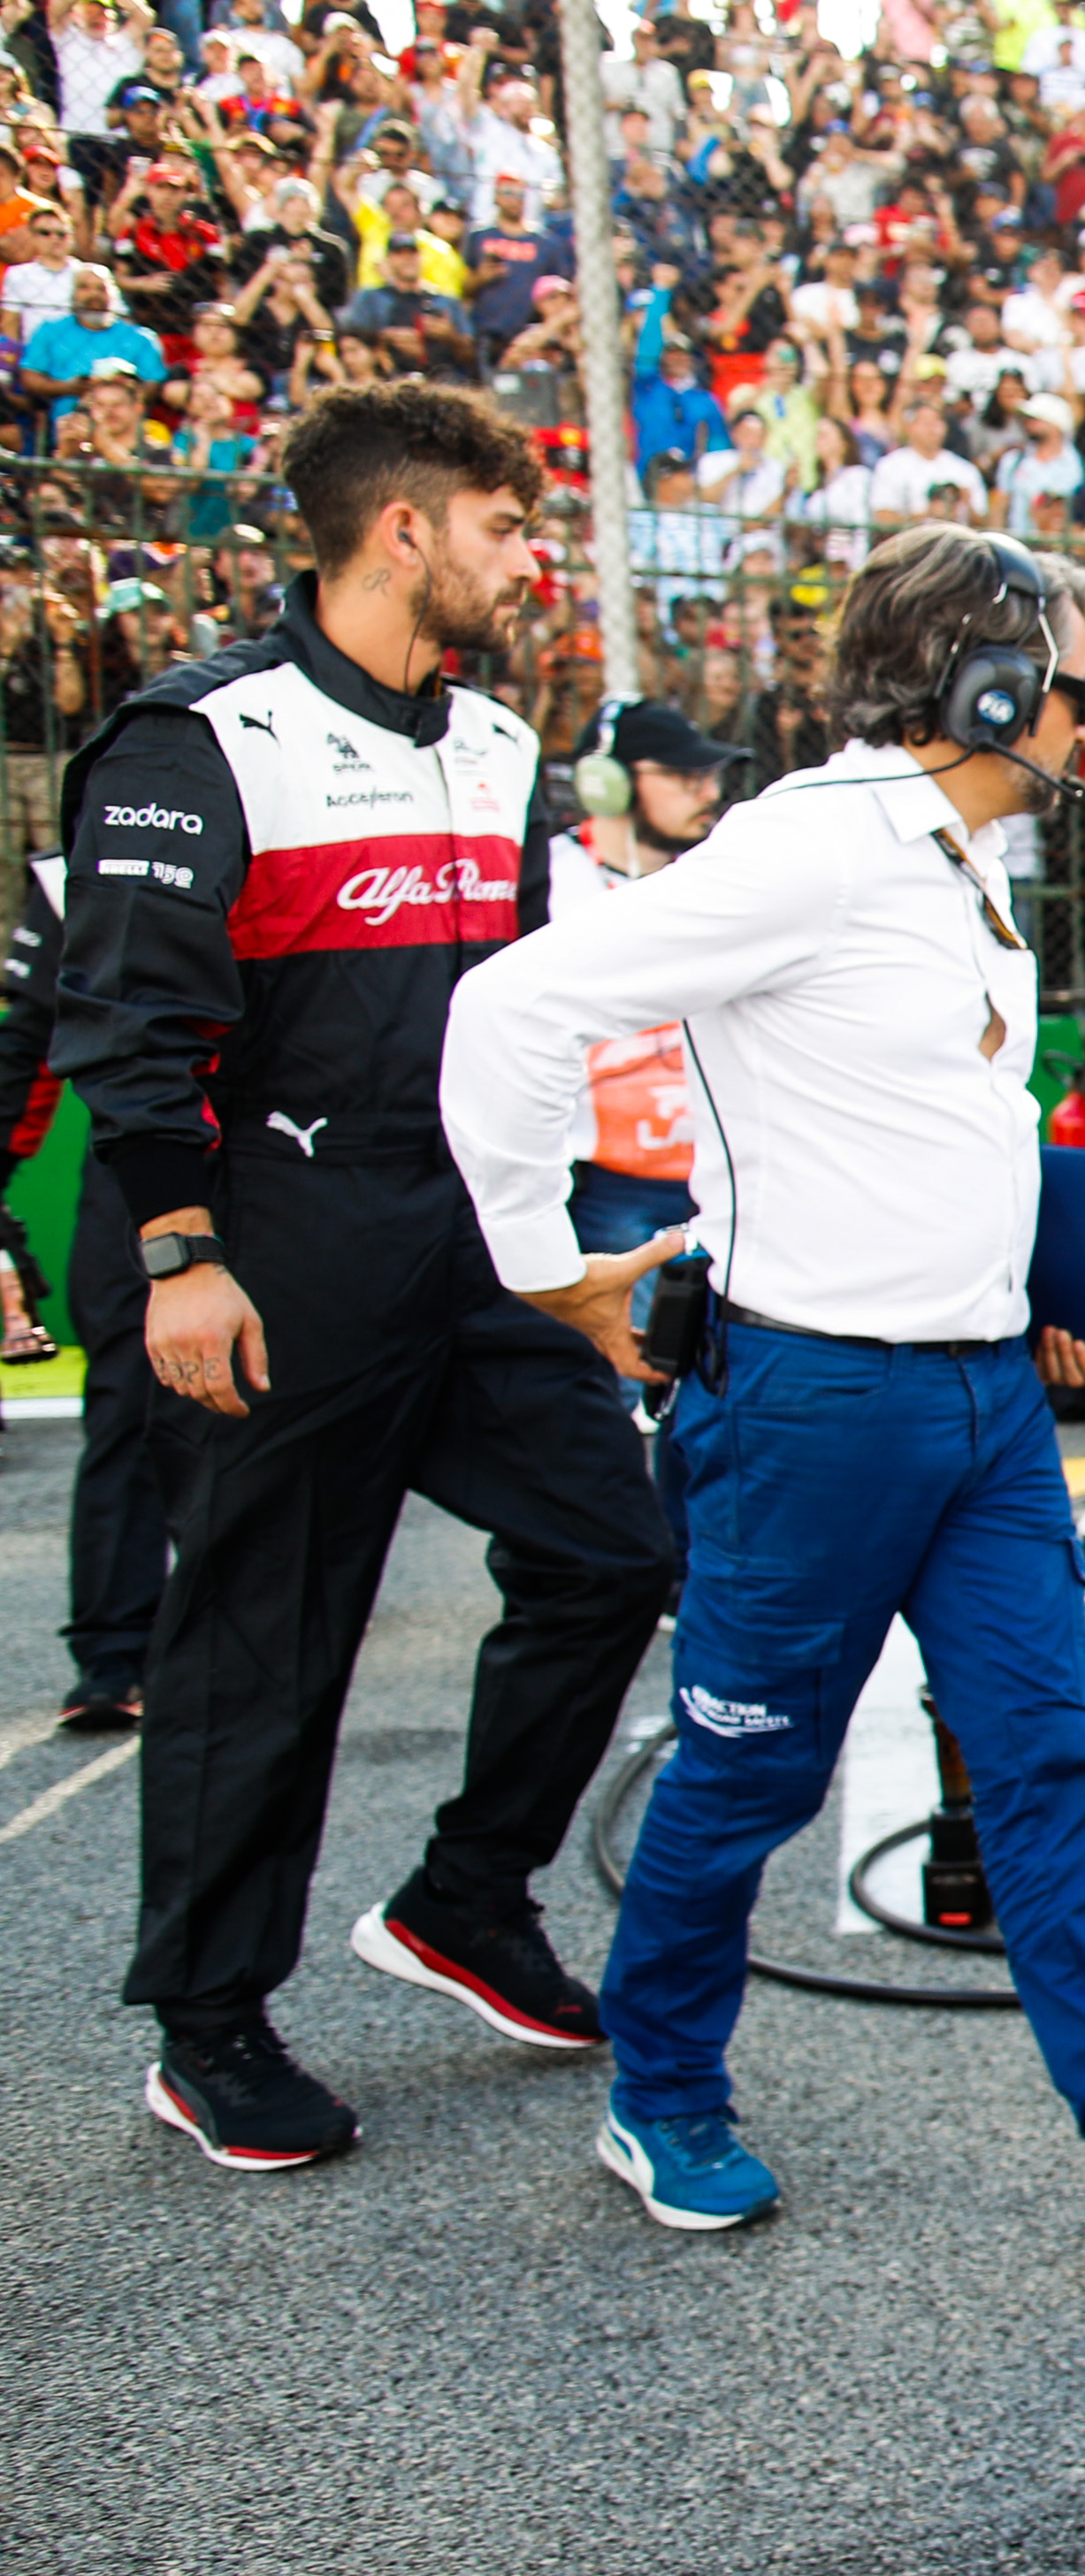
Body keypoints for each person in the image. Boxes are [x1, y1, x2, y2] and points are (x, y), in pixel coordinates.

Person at [433, 526, 1085, 2250]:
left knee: (1047, 1766)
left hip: (980, 1402)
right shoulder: (810, 852)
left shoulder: (957, 859)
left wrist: (1030, 1283)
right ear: (982, 684)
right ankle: (659, 2092)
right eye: (1067, 678)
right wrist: (547, 1263)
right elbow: (511, 1008)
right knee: (749, 1776)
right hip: (811, 1410)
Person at [56, 380, 682, 2175]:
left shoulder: (499, 747)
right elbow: (129, 1029)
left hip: (465, 1244)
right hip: (270, 1253)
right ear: (403, 529)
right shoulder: (199, 739)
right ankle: (207, 2022)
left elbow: (533, 1006)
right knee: (270, 1643)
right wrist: (180, 1253)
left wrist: (553, 1248)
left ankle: (467, 1899)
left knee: (618, 1549)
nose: (527, 557)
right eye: (503, 526)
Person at [0, 861, 146, 1734]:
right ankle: (112, 1655)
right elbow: (32, 1041)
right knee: (128, 1408)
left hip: (306, 1170)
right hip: (138, 1168)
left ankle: (258, 1636)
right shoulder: (71, 877)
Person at [541, 692, 742, 1265]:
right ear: (608, 783)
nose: (708, 793)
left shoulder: (715, 880)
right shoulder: (548, 884)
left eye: (710, 776)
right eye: (685, 776)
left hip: (723, 1174)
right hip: (609, 1180)